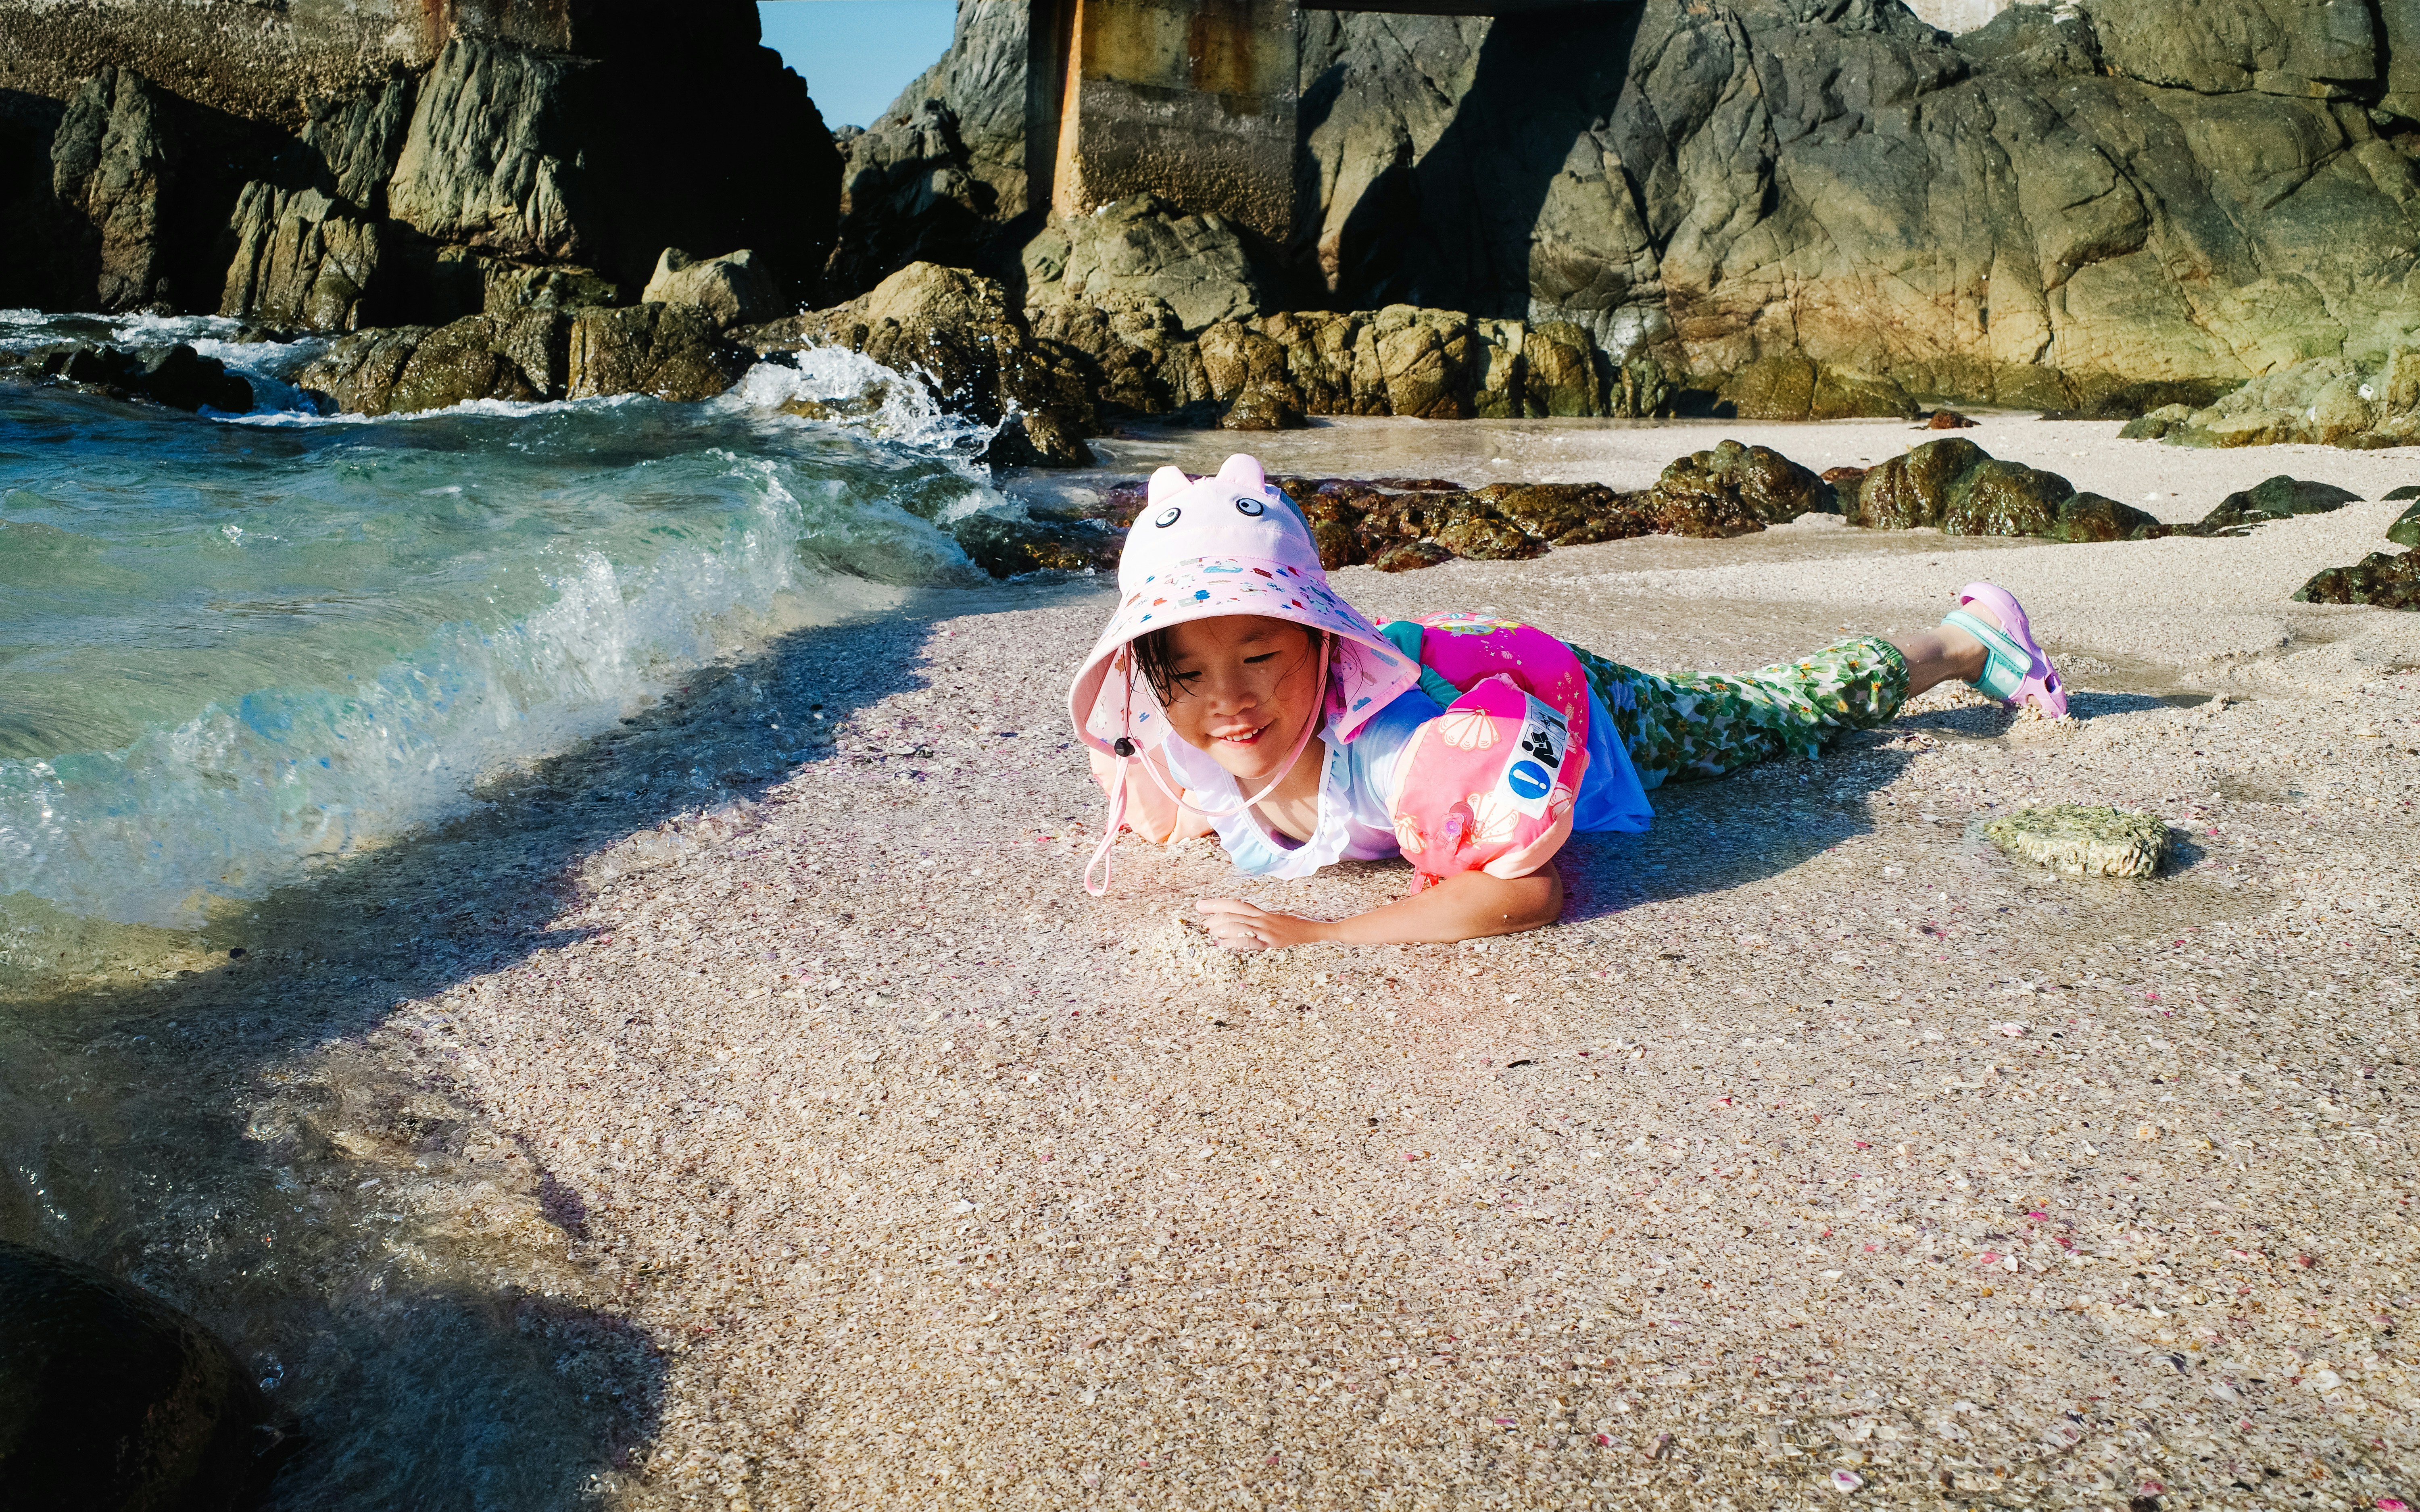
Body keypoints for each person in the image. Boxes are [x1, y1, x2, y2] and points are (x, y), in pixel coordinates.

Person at [1067, 454, 2066, 952]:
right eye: (1188, 673)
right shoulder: (1181, 732)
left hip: (1544, 702)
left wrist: (1325, 938)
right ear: (1151, 677)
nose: (1228, 702)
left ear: (1326, 648)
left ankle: (1957, 637)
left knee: (1757, 715)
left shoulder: (1400, 752)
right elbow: (1177, 774)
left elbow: (1526, 894)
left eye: (1259, 655)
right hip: (1458, 663)